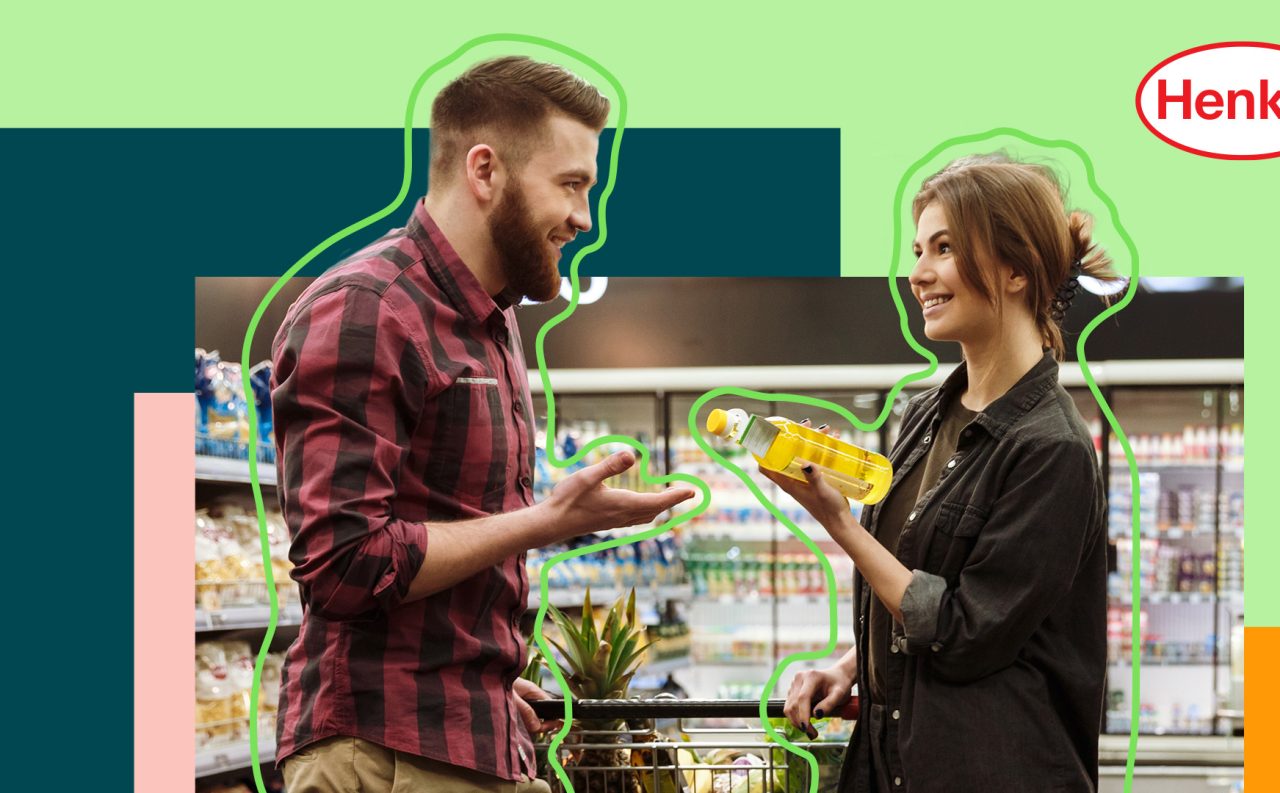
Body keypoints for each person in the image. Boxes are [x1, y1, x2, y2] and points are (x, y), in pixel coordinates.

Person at [270, 56, 694, 792]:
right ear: (485, 170)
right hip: (386, 754)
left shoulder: (491, 322)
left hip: (460, 740)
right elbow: (346, 564)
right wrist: (547, 520)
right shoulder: (369, 308)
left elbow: (443, 542)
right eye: (571, 184)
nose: (585, 218)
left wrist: (484, 685)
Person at [776, 153, 1121, 791]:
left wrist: (838, 524)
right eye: (918, 251)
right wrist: (855, 665)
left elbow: (965, 631)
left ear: (1017, 269)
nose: (918, 274)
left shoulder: (1052, 447)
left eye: (945, 248)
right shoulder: (926, 416)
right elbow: (922, 585)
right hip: (897, 762)